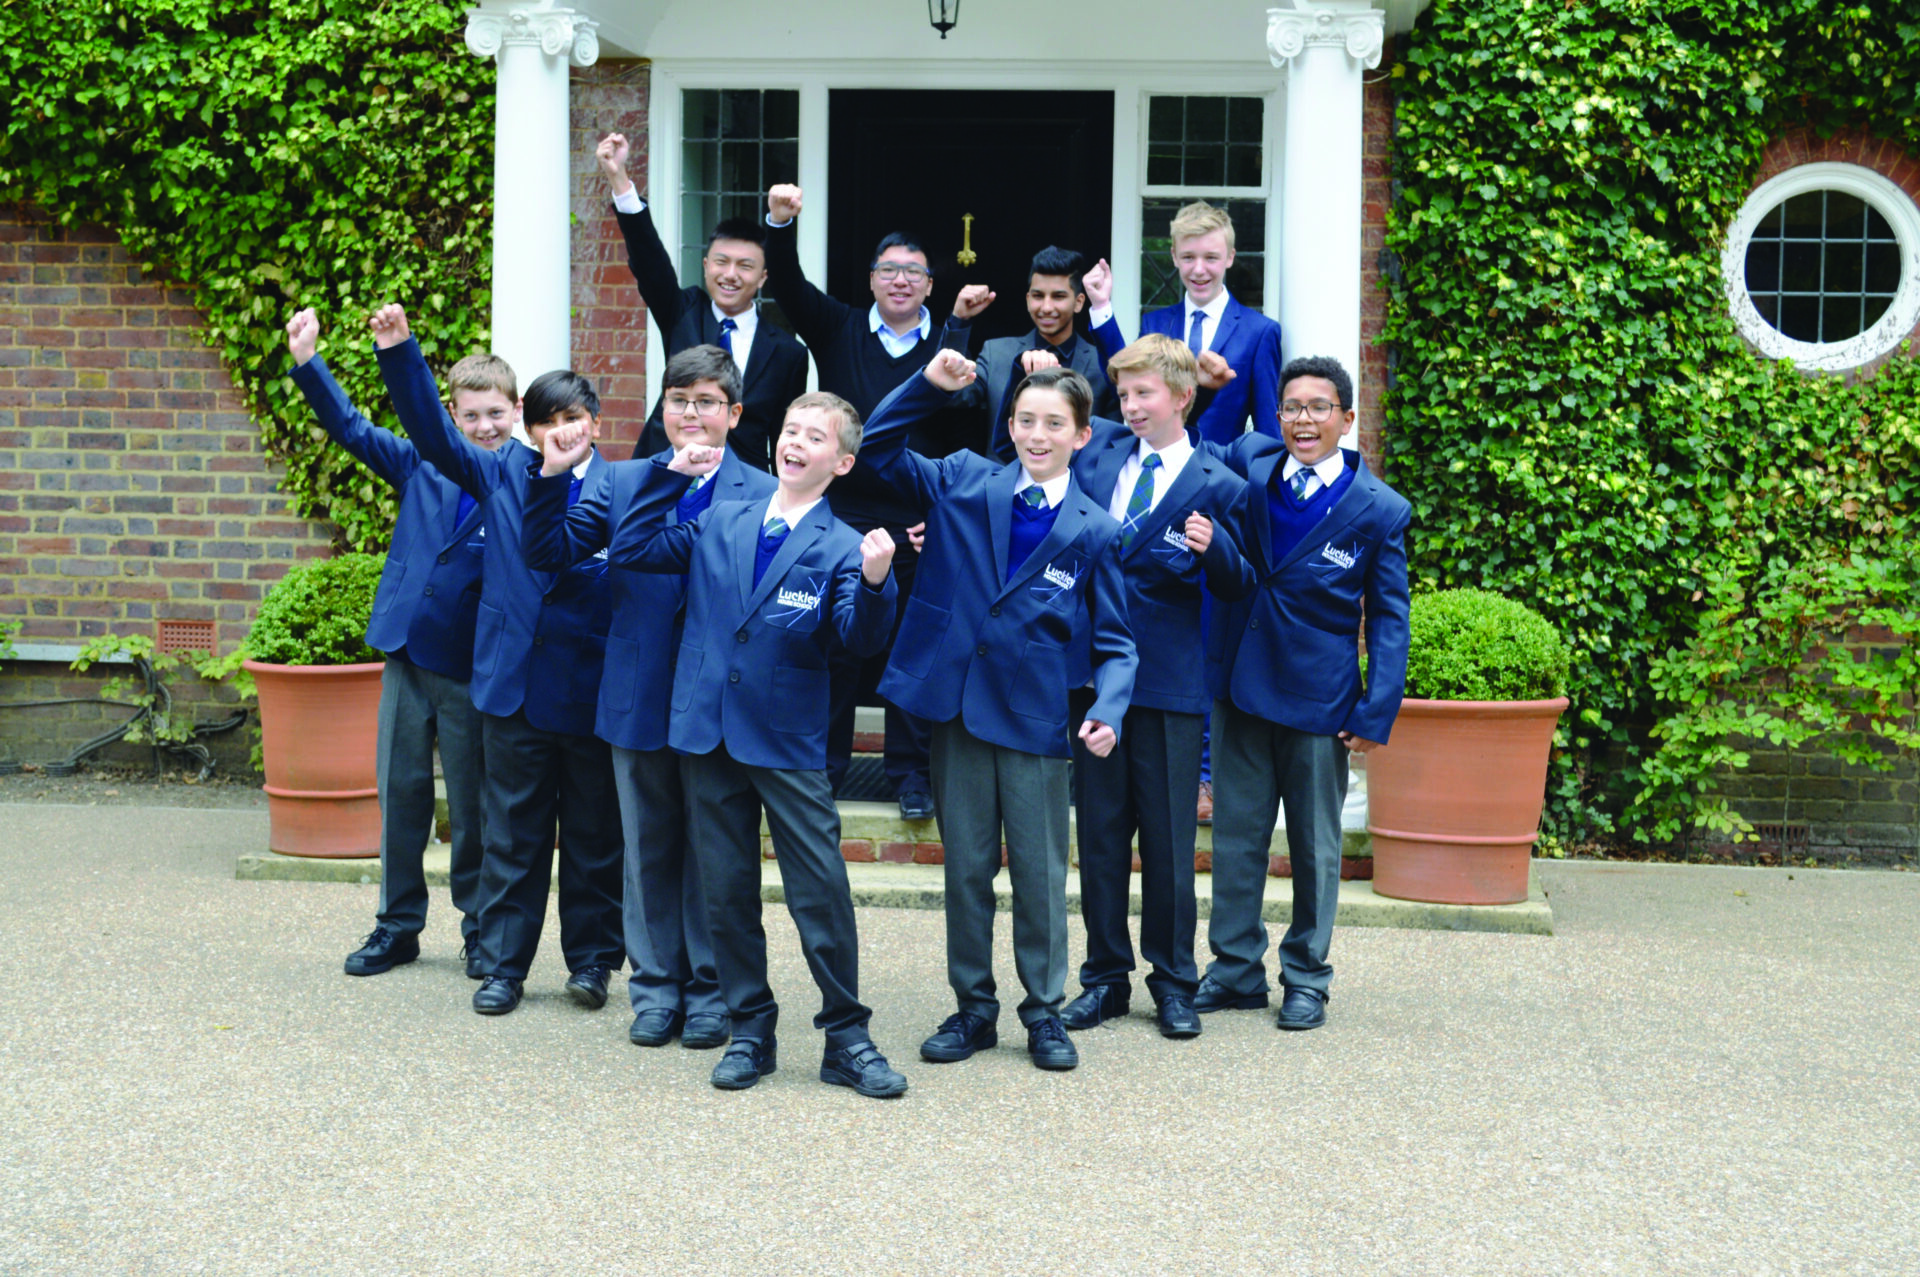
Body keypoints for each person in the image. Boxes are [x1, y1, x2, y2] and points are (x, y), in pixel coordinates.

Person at [530, 389, 909, 1098]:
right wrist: (669, 475)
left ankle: (847, 1037)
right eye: (790, 428)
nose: (797, 441)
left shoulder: (842, 545)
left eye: (816, 437)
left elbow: (857, 639)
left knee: (819, 891)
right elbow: (637, 547)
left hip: (787, 741)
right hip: (706, 734)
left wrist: (881, 580)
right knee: (726, 893)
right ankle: (750, 1029)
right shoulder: (718, 519)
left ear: (844, 461)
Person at [856, 353, 1137, 1072]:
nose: (1036, 434)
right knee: (967, 868)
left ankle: (1043, 1009)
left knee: (1040, 872)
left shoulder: (1097, 529)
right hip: (954, 709)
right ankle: (972, 1006)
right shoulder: (960, 479)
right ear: (1007, 424)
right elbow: (876, 446)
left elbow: (1116, 640)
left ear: (1082, 434)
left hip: (1035, 716)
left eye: (1054, 423)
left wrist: (1108, 706)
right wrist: (927, 386)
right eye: (1025, 420)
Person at [370, 304, 624, 1020]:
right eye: (545, 422)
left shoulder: (622, 488)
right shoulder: (501, 475)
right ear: (528, 426)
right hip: (510, 692)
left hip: (587, 693)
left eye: (571, 419)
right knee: (511, 838)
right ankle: (505, 968)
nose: (558, 432)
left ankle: (594, 962)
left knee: (593, 842)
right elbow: (428, 431)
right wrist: (400, 352)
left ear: (593, 424)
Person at [520, 345, 776, 1052]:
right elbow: (551, 551)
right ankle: (655, 987)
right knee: (647, 847)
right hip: (634, 689)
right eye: (678, 401)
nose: (690, 414)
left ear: (734, 413)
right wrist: (550, 473)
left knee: (711, 850)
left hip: (715, 698)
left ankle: (710, 988)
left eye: (705, 402)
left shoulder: (759, 491)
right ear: (660, 408)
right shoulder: (626, 479)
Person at [285, 309, 507, 981]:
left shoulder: (519, 482)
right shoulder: (420, 465)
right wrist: (308, 362)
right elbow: (351, 428)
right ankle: (397, 924)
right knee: (401, 794)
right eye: (470, 415)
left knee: (471, 808)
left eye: (495, 413)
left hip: (470, 668)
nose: (484, 426)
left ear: (515, 410)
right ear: (451, 415)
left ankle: (479, 928)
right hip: (406, 658)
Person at [1051, 334, 1258, 1039]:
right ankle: (1104, 978)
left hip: (1169, 681)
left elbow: (1242, 583)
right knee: (1102, 834)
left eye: (1144, 394)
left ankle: (1173, 980)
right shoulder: (1100, 452)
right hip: (1095, 674)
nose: (1130, 406)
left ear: (1180, 397)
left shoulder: (1220, 481)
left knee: (1168, 842)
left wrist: (1217, 548)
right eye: (1125, 393)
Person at [1196, 355, 1411, 1032]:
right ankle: (1233, 968)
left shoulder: (1378, 509)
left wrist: (1377, 710)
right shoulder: (1253, 469)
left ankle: (1308, 976)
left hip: (1321, 702)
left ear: (1348, 419)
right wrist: (1209, 389)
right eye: (1292, 406)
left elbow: (1390, 617)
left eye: (1320, 407)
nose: (1304, 420)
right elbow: (1197, 441)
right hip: (1242, 687)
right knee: (1236, 837)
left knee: (1316, 846)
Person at [763, 182, 940, 820]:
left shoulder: (944, 346)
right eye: (889, 270)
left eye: (913, 272)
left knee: (909, 649)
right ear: (871, 280)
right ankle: (827, 766)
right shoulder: (837, 328)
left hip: (917, 522)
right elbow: (786, 283)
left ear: (927, 285)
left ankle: (910, 774)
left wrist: (936, 518)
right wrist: (779, 224)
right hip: (838, 517)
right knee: (832, 642)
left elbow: (963, 435)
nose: (900, 280)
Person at [596, 133, 808, 471]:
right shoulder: (682, 312)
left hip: (740, 488)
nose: (731, 274)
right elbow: (651, 263)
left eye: (745, 265)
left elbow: (784, 435)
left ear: (763, 276)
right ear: (707, 266)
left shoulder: (788, 353)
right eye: (722, 262)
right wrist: (619, 180)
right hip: (664, 469)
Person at [1100, 200, 1284, 448]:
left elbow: (1268, 431)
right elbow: (1123, 387)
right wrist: (1101, 308)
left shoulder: (1259, 332)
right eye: (1188, 257)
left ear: (1230, 257)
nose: (1199, 270)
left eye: (1211, 258)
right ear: (1174, 256)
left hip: (1224, 477)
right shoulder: (1155, 323)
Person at [940, 246, 1118, 454]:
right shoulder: (996, 352)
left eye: (1058, 296)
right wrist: (959, 320)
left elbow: (1111, 444)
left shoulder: (1101, 363)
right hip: (1003, 480)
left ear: (1078, 303)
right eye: (1038, 296)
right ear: (1027, 300)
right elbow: (955, 396)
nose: (1046, 307)